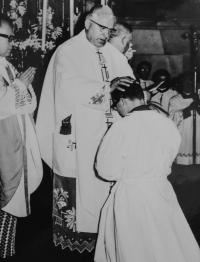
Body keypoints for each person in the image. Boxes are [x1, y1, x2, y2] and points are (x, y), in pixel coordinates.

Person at [36, 5, 135, 253]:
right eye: (102, 28)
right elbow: (68, 88)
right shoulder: (67, 51)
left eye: (110, 30)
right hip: (78, 141)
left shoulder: (114, 56)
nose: (106, 35)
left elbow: (128, 84)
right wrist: (106, 88)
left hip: (107, 140)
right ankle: (72, 251)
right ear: (88, 22)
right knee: (77, 207)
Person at [94, 81, 200, 262]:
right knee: (165, 242)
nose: (118, 110)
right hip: (161, 190)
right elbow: (172, 153)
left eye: (116, 104)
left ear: (123, 100)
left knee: (134, 247)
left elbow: (105, 170)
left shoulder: (122, 126)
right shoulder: (167, 123)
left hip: (131, 195)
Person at [0, 18, 43, 258]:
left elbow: (27, 104)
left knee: (12, 200)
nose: (11, 43)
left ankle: (5, 250)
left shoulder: (6, 65)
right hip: (4, 145)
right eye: (7, 37)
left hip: (15, 142)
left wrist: (23, 87)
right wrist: (18, 87)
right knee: (6, 194)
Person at [169, 71, 200, 164]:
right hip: (184, 132)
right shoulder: (175, 100)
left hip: (198, 131)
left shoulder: (198, 98)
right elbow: (173, 118)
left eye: (190, 81)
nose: (188, 84)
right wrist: (189, 108)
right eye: (185, 82)